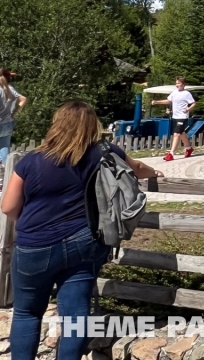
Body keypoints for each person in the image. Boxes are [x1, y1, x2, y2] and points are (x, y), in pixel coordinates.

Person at [2, 101, 162, 360]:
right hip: (84, 242)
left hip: (34, 246)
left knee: (26, 313)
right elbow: (138, 169)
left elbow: (8, 206)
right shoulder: (104, 152)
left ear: (56, 124)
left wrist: (33, 222)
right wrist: (155, 171)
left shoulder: (31, 160)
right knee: (76, 317)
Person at [151, 77, 196, 162]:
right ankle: (189, 148)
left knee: (176, 134)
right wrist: (157, 102)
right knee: (182, 133)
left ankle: (171, 154)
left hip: (183, 117)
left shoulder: (187, 93)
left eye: (178, 83)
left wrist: (188, 109)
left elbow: (193, 103)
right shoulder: (174, 92)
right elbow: (168, 101)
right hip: (175, 116)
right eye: (176, 83)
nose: (177, 85)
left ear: (183, 84)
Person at [0, 69, 26, 167]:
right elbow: (23, 99)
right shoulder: (9, 88)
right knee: (4, 148)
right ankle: (6, 172)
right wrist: (16, 113)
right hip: (8, 123)